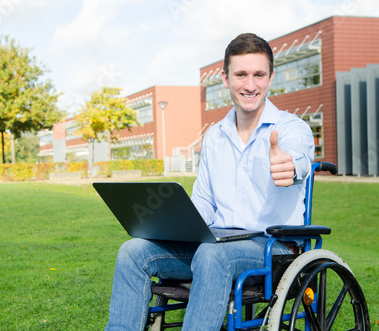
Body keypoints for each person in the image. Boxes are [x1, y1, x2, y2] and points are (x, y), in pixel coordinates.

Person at [105, 33, 314, 331]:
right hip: (215, 242)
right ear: (226, 78)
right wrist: (173, 225)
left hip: (273, 248)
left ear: (270, 78)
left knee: (211, 254)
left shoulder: (292, 128)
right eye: (241, 74)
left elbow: (300, 158)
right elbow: (204, 202)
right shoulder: (215, 136)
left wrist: (291, 167)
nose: (250, 85)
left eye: (259, 74)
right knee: (133, 251)